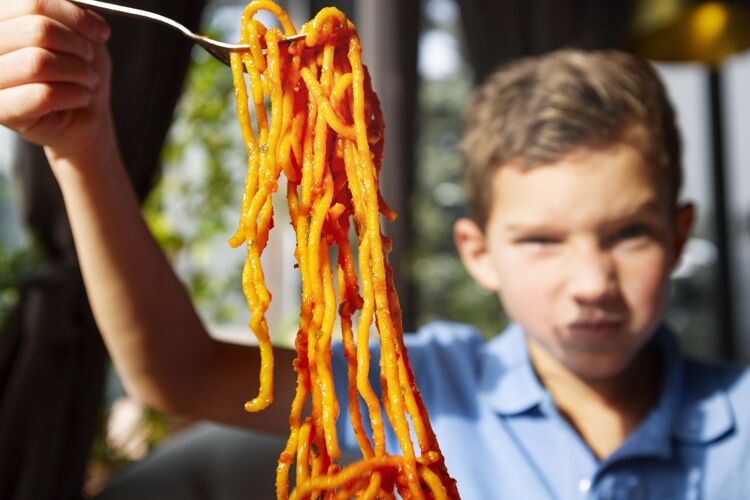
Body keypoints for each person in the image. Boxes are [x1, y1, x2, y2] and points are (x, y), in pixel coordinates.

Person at [2, 1, 749, 499]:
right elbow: (178, 372)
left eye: (629, 235)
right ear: (478, 252)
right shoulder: (425, 392)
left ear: (681, 234)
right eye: (542, 241)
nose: (591, 282)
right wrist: (86, 147)